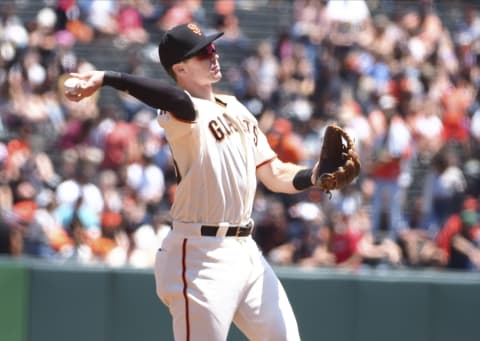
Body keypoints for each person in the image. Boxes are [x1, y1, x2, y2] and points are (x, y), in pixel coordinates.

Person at [64, 22, 327, 341]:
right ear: (180, 67)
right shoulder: (181, 113)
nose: (213, 54)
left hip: (246, 250)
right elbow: (175, 98)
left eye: (212, 47)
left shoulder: (236, 107)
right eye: (202, 52)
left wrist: (314, 175)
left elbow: (274, 174)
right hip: (200, 254)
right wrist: (108, 78)